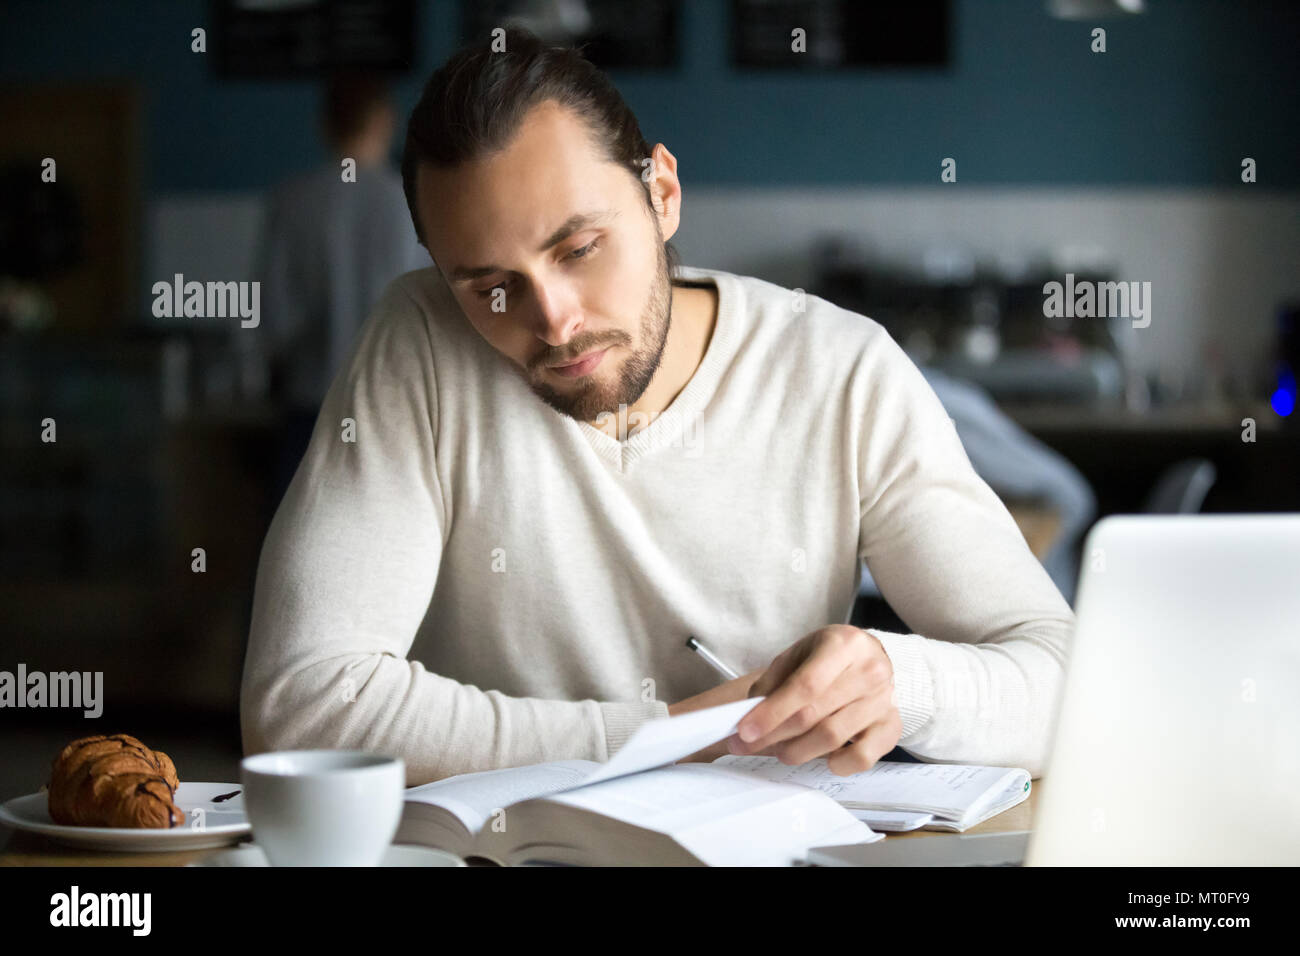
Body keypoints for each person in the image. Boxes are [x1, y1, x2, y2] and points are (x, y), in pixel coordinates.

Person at [241, 28, 1077, 786]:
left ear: (663, 194)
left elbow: (1066, 684)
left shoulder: (842, 370)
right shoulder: (420, 341)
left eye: (580, 248)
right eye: (492, 287)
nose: (556, 321)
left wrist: (901, 680)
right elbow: (304, 708)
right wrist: (677, 733)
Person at [252, 69, 428, 508]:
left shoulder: (291, 202)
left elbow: (270, 319)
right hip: (394, 408)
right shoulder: (413, 202)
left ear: (324, 124)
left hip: (311, 409)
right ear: (386, 120)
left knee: (298, 552)